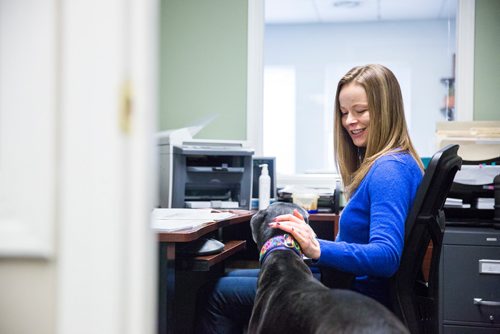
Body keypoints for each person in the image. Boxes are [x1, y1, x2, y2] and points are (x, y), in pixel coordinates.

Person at [195, 64, 424, 333]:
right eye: (343, 112)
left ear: (387, 110)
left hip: (351, 293)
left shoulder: (389, 170)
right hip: (341, 279)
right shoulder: (398, 162)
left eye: (360, 111)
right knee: (231, 277)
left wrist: (316, 248)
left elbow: (386, 256)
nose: (350, 121)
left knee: (219, 291)